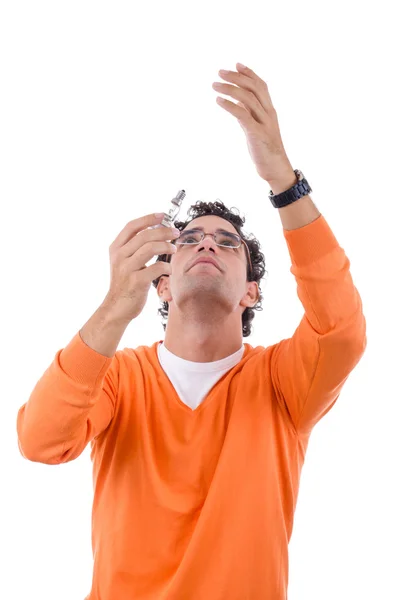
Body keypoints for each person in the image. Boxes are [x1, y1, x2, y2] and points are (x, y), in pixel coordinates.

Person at [16, 63, 367, 600]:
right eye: (191, 239)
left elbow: (340, 330)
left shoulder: (282, 382)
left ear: (250, 292)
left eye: (229, 244)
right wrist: (113, 308)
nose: (207, 244)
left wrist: (283, 182)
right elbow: (40, 441)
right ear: (161, 283)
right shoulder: (119, 378)